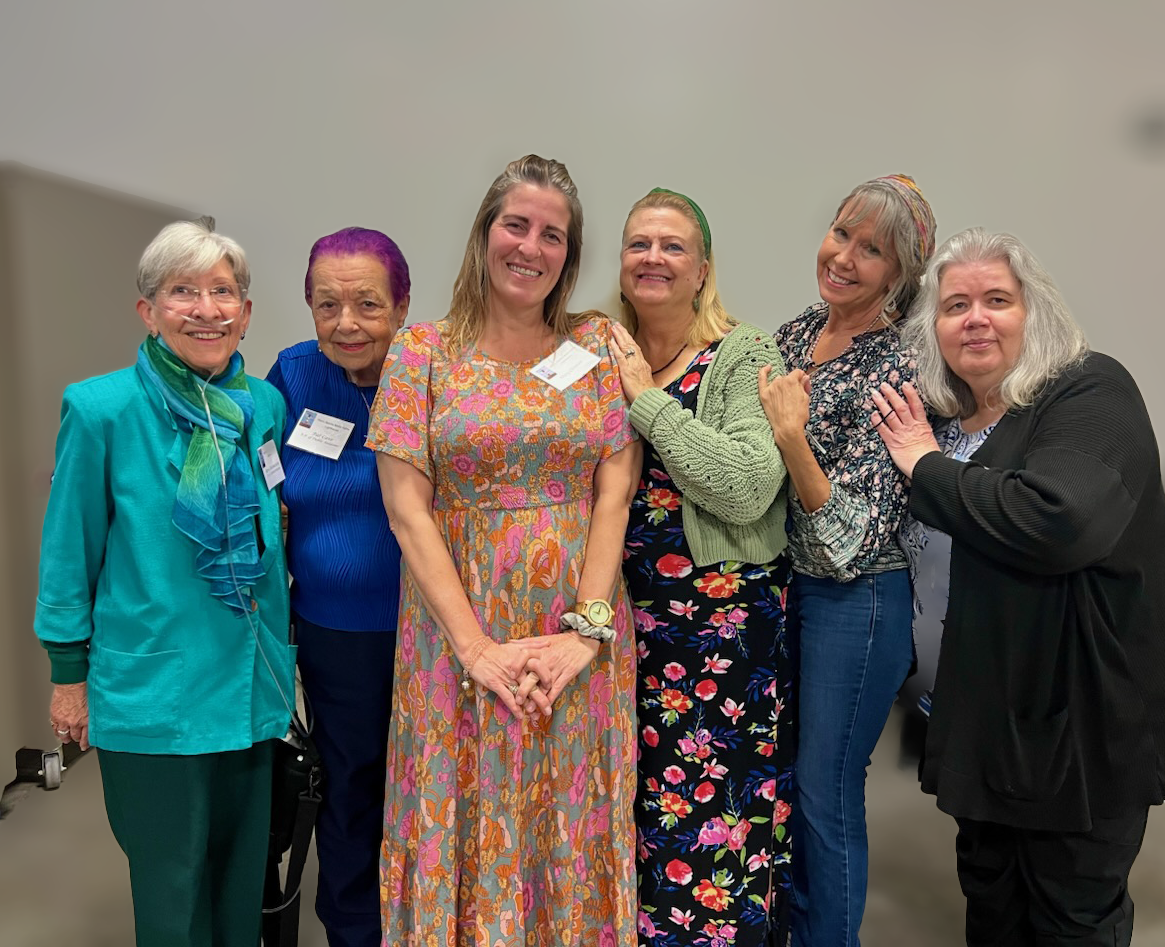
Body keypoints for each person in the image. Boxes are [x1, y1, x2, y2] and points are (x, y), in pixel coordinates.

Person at [872, 227, 1165, 946]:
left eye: (997, 299)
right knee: (994, 913)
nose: (975, 318)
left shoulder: (1088, 390)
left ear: (1037, 314)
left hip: (1077, 730)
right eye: (955, 304)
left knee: (1069, 920)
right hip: (985, 727)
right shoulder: (952, 425)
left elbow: (1059, 521)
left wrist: (922, 466)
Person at [366, 154, 640, 945]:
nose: (532, 246)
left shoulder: (591, 348)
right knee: (464, 806)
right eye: (516, 225)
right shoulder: (423, 352)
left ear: (570, 252)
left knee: (566, 811)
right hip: (457, 629)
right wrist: (476, 648)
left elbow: (612, 492)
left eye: (553, 234)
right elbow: (406, 507)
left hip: (575, 635)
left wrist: (586, 632)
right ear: (485, 234)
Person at [34, 218, 293, 947]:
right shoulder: (100, 410)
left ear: (245, 313)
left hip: (251, 683)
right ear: (147, 309)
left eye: (224, 292)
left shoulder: (260, 406)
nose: (207, 309)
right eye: (184, 291)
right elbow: (67, 554)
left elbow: (270, 526)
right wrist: (67, 674)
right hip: (156, 690)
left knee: (242, 880)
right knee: (173, 885)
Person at [607, 188, 793, 947]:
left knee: (716, 824)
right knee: (635, 806)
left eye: (672, 246)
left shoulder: (743, 354)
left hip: (723, 632)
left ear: (703, 268)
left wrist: (649, 404)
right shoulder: (599, 349)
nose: (653, 257)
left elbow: (749, 487)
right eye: (638, 243)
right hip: (620, 624)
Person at [759, 174, 937, 947]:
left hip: (858, 601)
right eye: (842, 233)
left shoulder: (895, 367)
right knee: (788, 792)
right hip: (789, 592)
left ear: (899, 275)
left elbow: (846, 541)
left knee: (827, 797)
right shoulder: (796, 334)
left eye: (873, 250)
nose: (845, 257)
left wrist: (793, 438)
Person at [265, 227, 411, 947]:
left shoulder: (434, 370)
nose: (346, 324)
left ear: (402, 307)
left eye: (367, 305)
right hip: (334, 633)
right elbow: (259, 482)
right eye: (327, 305)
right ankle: (356, 930)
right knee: (349, 786)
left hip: (434, 624)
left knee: (422, 786)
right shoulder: (291, 377)